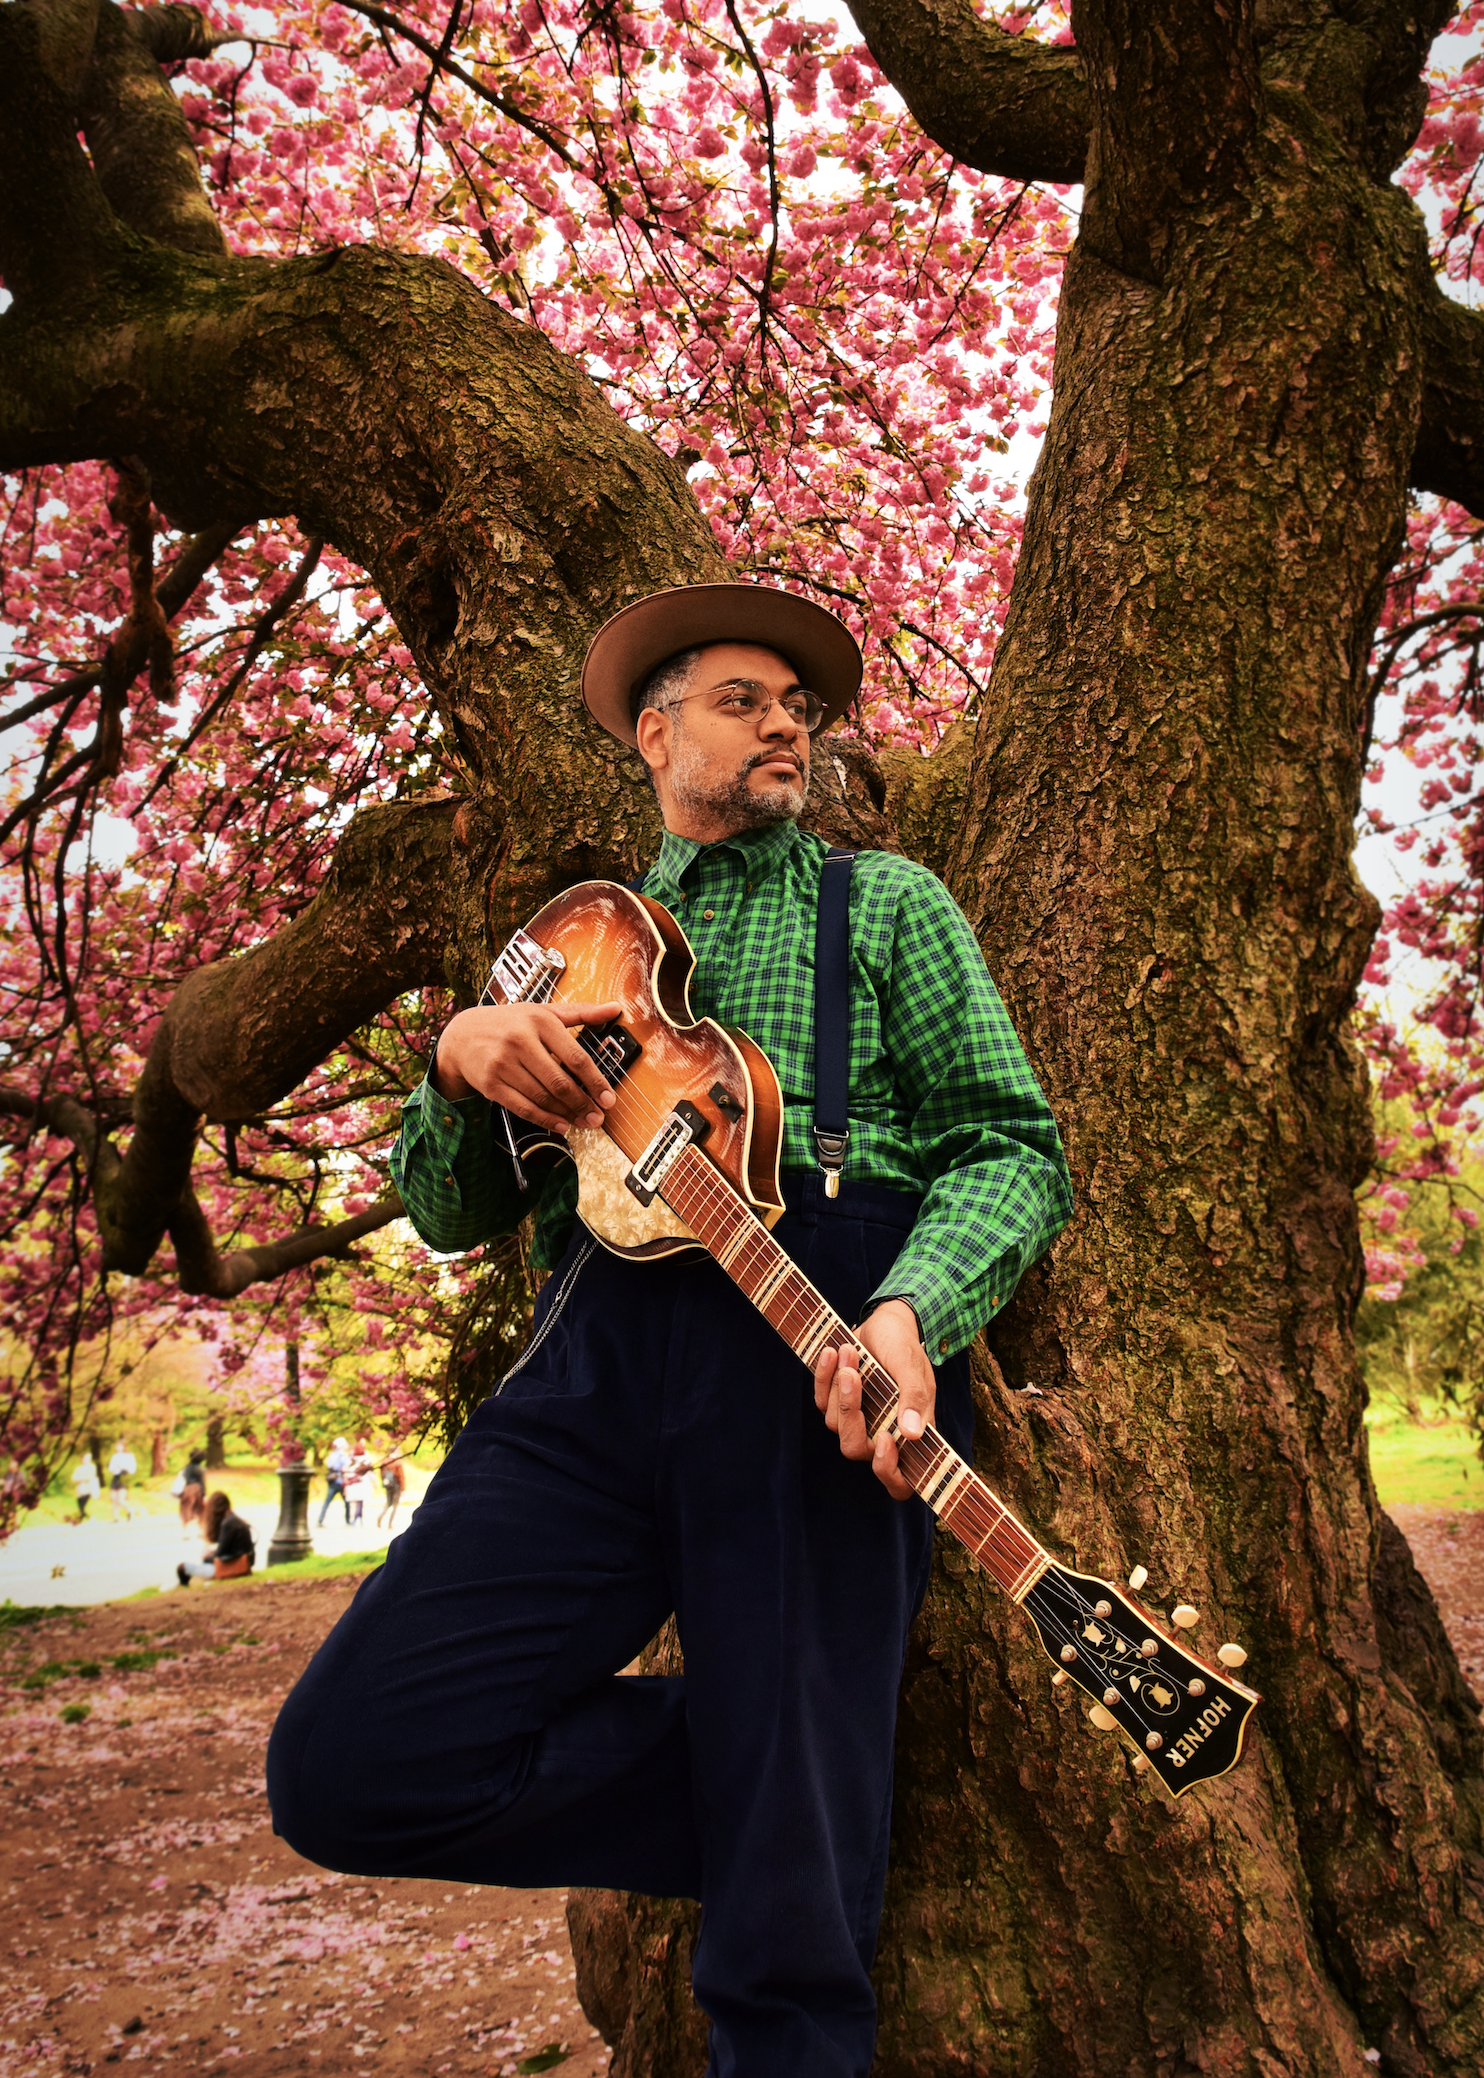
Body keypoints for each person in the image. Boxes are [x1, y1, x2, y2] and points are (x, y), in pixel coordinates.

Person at [268, 583, 1073, 2078]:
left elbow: (1013, 1148)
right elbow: (444, 1210)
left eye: (801, 708)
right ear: (654, 731)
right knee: (349, 1763)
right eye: (744, 698)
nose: (787, 724)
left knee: (785, 1958)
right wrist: (455, 1060)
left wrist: (913, 1309)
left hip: (816, 1352)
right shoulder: (558, 949)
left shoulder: (884, 904)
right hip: (592, 1362)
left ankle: (801, 1815)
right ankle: (803, 1780)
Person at [176, 1491, 256, 1584]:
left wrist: (207, 1557)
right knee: (204, 1562)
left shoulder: (228, 1524)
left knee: (182, 1567)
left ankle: (184, 1585)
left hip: (231, 1567)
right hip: (241, 1563)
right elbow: (228, 1549)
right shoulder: (234, 1520)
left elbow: (219, 1555)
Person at [317, 1437, 351, 1526]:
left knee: (327, 1501)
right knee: (347, 1501)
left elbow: (329, 1466)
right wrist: (346, 1483)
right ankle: (348, 1520)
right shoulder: (343, 1456)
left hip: (332, 1480)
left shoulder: (332, 1455)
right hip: (341, 1481)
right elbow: (344, 1470)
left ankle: (320, 1520)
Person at [172, 1449, 206, 1532]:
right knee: (201, 1510)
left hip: (187, 1490)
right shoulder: (200, 1469)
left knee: (186, 1510)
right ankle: (200, 1530)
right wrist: (204, 1495)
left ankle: (185, 1532)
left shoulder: (186, 1468)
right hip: (197, 1489)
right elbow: (202, 1483)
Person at [107, 1439, 137, 1523]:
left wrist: (124, 1468)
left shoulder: (129, 1455)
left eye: (119, 1446)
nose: (117, 1447)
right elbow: (111, 1468)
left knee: (121, 1499)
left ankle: (130, 1510)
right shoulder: (114, 1456)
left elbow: (132, 1467)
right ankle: (116, 1518)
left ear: (123, 1447)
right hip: (116, 1476)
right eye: (116, 1446)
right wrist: (114, 1468)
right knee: (113, 1498)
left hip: (124, 1476)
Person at [376, 1452, 406, 1533]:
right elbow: (401, 1476)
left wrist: (384, 1482)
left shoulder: (384, 1461)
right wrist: (403, 1489)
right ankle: (390, 1524)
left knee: (388, 1503)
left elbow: (381, 1473)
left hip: (388, 1485)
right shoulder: (397, 1462)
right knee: (395, 1505)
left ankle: (381, 1516)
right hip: (396, 1485)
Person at [346, 1439, 373, 1527]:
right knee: (360, 1502)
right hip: (362, 1482)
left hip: (355, 1483)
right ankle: (357, 1518)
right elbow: (370, 1470)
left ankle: (357, 1519)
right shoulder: (366, 1457)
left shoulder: (352, 1458)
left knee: (358, 1502)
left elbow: (348, 1469)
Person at [72, 1451, 101, 1522]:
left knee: (83, 1505)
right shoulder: (78, 1468)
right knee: (80, 1505)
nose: (85, 1460)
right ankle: (84, 1516)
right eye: (84, 1459)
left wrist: (81, 1478)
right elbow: (73, 1478)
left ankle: (88, 1516)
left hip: (88, 1489)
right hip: (79, 1489)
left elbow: (90, 1476)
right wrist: (79, 1479)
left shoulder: (92, 1467)